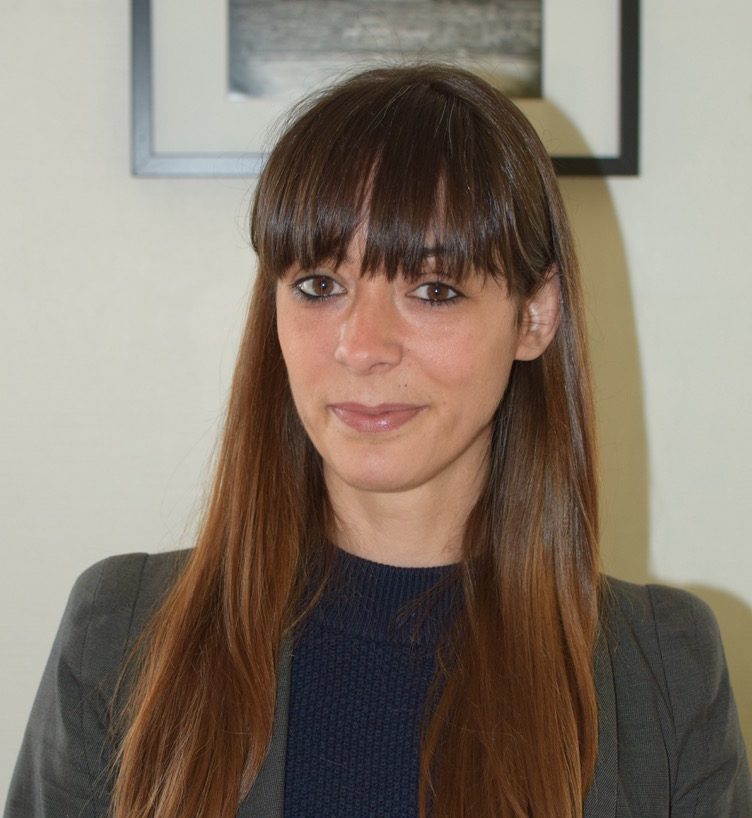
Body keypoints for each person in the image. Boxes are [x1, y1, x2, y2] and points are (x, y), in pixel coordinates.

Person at [4, 64, 751, 818]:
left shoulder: (665, 669)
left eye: (433, 290)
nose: (361, 347)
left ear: (534, 315)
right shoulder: (121, 630)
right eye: (319, 286)